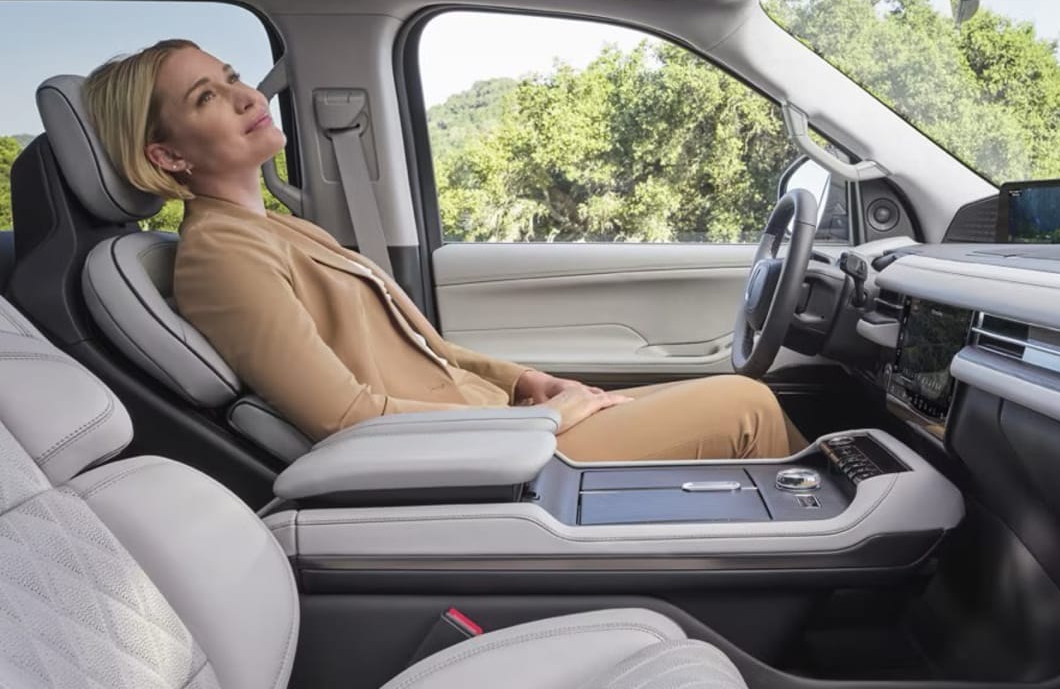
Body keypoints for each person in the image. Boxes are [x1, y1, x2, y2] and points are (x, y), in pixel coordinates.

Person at [82, 39, 805, 461]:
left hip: (492, 425)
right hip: (478, 458)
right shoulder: (221, 256)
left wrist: (529, 382)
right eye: (207, 97)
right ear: (167, 156)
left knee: (734, 398)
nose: (245, 97)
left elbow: (432, 350)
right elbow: (346, 420)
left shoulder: (275, 228)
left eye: (233, 79)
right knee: (746, 406)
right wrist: (540, 421)